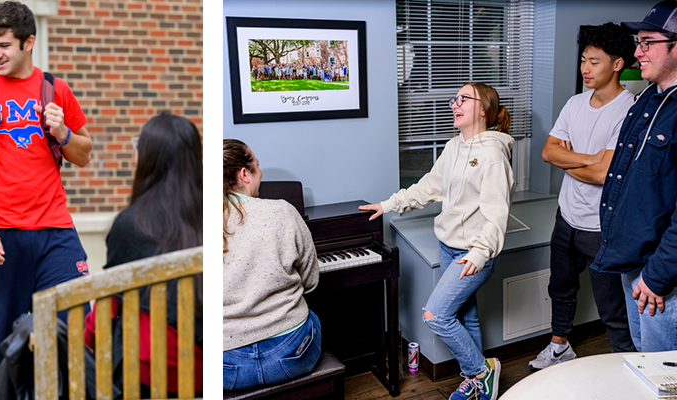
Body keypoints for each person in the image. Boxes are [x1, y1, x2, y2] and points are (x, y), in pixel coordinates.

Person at [0, 2, 93, 398]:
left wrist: (62, 132)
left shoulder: (55, 88)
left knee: (75, 329)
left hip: (55, 233)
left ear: (30, 42)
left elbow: (84, 152)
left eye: (4, 45)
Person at [360, 82, 513, 400]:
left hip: (474, 251)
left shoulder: (493, 154)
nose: (453, 104)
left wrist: (480, 253)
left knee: (435, 314)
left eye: (462, 99)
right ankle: (480, 390)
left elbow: (497, 213)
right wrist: (389, 205)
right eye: (453, 99)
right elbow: (429, 186)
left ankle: (482, 371)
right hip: (449, 245)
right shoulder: (455, 146)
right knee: (465, 315)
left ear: (483, 109)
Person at [530, 22, 638, 371]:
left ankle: (625, 362)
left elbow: (603, 174)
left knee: (611, 305)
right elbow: (548, 151)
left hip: (602, 226)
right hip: (567, 217)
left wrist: (577, 161)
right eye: (582, 60)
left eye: (594, 61)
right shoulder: (575, 103)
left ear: (618, 63)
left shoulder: (629, 110)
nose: (585, 69)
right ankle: (560, 347)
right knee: (560, 288)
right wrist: (590, 159)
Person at [82, 112, 203, 397]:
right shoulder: (212, 217)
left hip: (153, 369)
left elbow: (108, 309)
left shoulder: (131, 224)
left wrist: (87, 338)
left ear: (147, 159)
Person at [591, 0, 677, 353]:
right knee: (644, 363)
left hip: (663, 278)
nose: (637, 51)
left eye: (647, 42)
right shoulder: (646, 101)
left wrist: (657, 276)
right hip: (634, 264)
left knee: (665, 377)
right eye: (637, 42)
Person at [222, 139, 322, 391]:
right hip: (293, 354)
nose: (261, 172)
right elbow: (311, 282)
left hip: (226, 367)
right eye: (257, 165)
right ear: (244, 174)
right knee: (314, 317)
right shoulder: (283, 212)